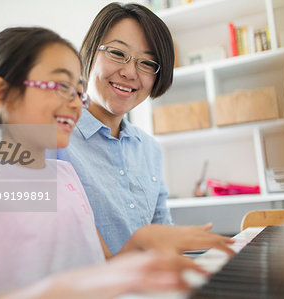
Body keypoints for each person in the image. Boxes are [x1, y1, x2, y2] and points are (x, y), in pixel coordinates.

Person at [0, 26, 213, 299]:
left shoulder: (65, 175)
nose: (76, 103)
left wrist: (143, 241)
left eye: (78, 91)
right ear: (1, 93)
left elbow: (103, 267)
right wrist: (66, 290)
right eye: (60, 86)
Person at [60, 2, 230, 255]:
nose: (129, 72)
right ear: (88, 54)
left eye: (148, 63)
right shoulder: (49, 138)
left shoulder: (150, 150)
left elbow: (165, 236)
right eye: (117, 54)